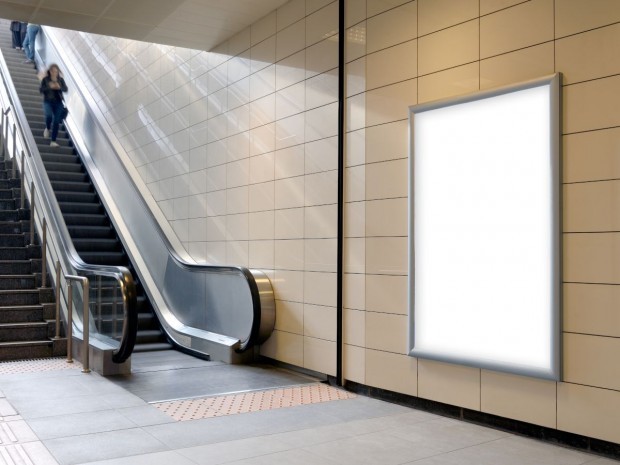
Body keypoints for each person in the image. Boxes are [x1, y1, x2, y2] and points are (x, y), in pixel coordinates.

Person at [39, 64, 68, 147]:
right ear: (50, 71)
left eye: (56, 71)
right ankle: (47, 128)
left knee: (56, 121)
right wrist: (49, 86)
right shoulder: (45, 79)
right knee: (49, 116)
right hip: (48, 101)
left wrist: (59, 87)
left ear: (58, 72)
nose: (54, 73)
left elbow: (65, 89)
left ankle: (53, 141)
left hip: (58, 103)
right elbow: (41, 90)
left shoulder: (61, 80)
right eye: (53, 71)